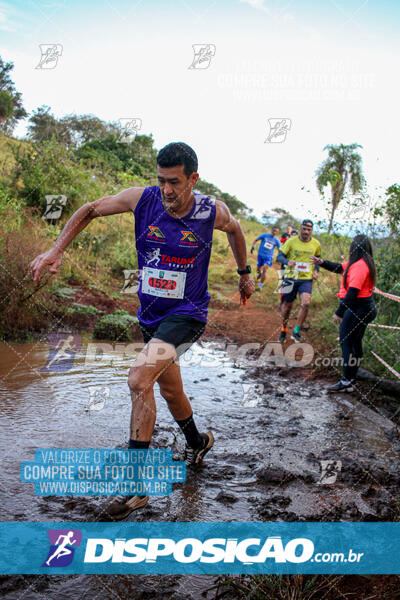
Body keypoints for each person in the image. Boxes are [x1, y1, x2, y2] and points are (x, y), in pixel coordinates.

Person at [30, 142, 255, 519]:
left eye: (175, 182)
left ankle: (134, 489)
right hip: (152, 317)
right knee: (170, 389)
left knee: (138, 378)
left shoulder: (211, 211)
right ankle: (198, 441)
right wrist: (56, 249)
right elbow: (89, 210)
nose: (167, 190)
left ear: (193, 179)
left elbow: (235, 232)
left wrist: (244, 273)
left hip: (188, 314)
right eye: (162, 181)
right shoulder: (142, 200)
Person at [310, 234, 377, 393]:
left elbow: (353, 292)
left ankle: (346, 380)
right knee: (355, 343)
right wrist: (323, 263)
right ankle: (352, 378)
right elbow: (340, 267)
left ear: (354, 247)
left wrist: (339, 312)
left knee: (346, 342)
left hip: (358, 308)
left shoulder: (360, 266)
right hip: (363, 308)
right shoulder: (361, 262)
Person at [276, 219, 321, 342]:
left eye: (309, 230)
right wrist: (287, 262)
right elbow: (279, 256)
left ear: (311, 230)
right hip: (290, 276)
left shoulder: (316, 244)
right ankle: (283, 329)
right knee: (287, 306)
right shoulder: (291, 241)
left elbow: (318, 258)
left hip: (306, 279)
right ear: (300, 228)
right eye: (304, 229)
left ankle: (296, 332)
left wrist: (316, 270)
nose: (306, 232)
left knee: (306, 303)